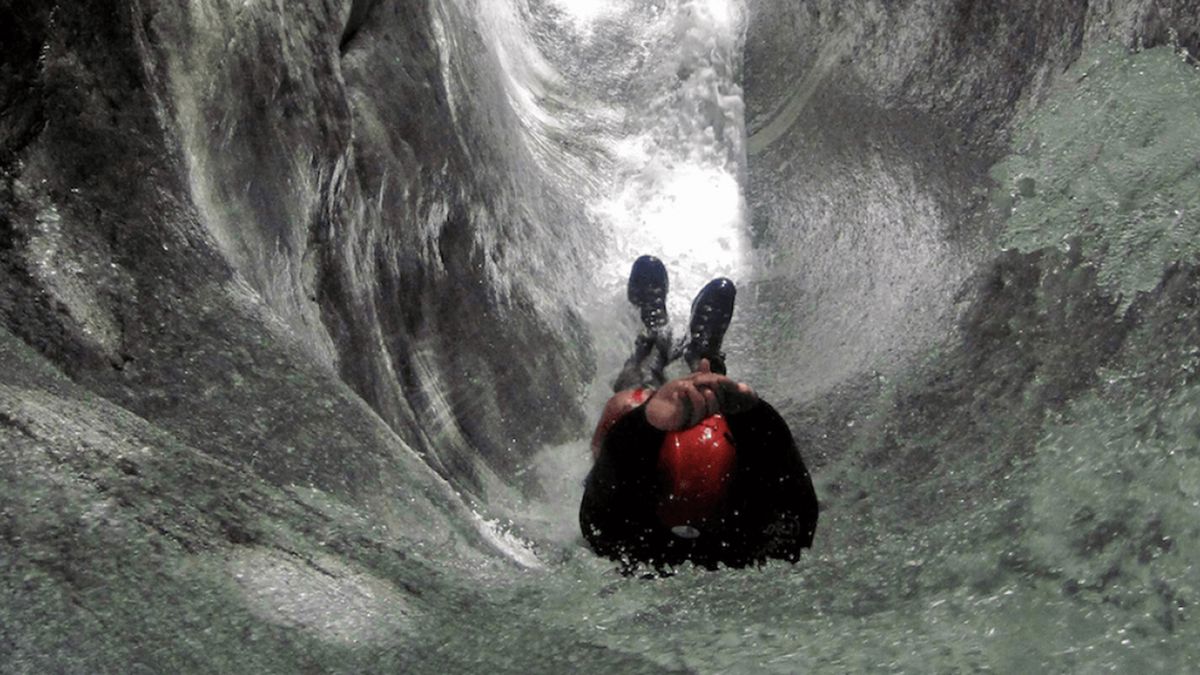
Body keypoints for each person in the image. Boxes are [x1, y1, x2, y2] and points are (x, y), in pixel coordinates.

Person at [580, 255, 819, 571]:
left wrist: (648, 420)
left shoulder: (622, 538)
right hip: (697, 484)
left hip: (636, 479)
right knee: (697, 396)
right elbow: (799, 506)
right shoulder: (755, 538)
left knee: (625, 404)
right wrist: (750, 413)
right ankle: (705, 361)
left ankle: (653, 341)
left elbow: (597, 510)